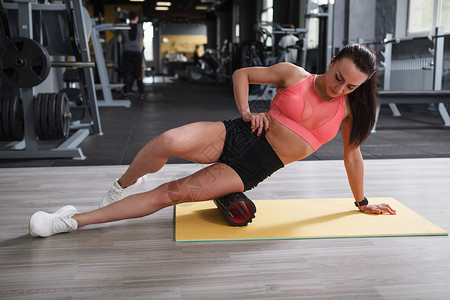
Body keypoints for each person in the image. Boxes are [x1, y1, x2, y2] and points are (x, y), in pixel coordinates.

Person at [29, 44, 397, 238]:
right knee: (166, 141)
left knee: (172, 193)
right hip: (237, 133)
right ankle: (123, 183)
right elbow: (241, 74)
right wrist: (247, 111)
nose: (339, 88)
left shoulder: (347, 111)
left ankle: (69, 221)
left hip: (252, 167)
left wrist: (361, 202)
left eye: (351, 86)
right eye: (338, 77)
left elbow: (353, 157)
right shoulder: (294, 75)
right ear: (332, 60)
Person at [118, 11, 145, 100]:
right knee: (138, 74)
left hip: (127, 52)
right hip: (137, 53)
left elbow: (119, 40)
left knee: (126, 73)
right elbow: (141, 43)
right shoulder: (140, 28)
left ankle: (125, 93)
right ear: (136, 18)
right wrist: (140, 51)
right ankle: (141, 94)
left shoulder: (124, 28)